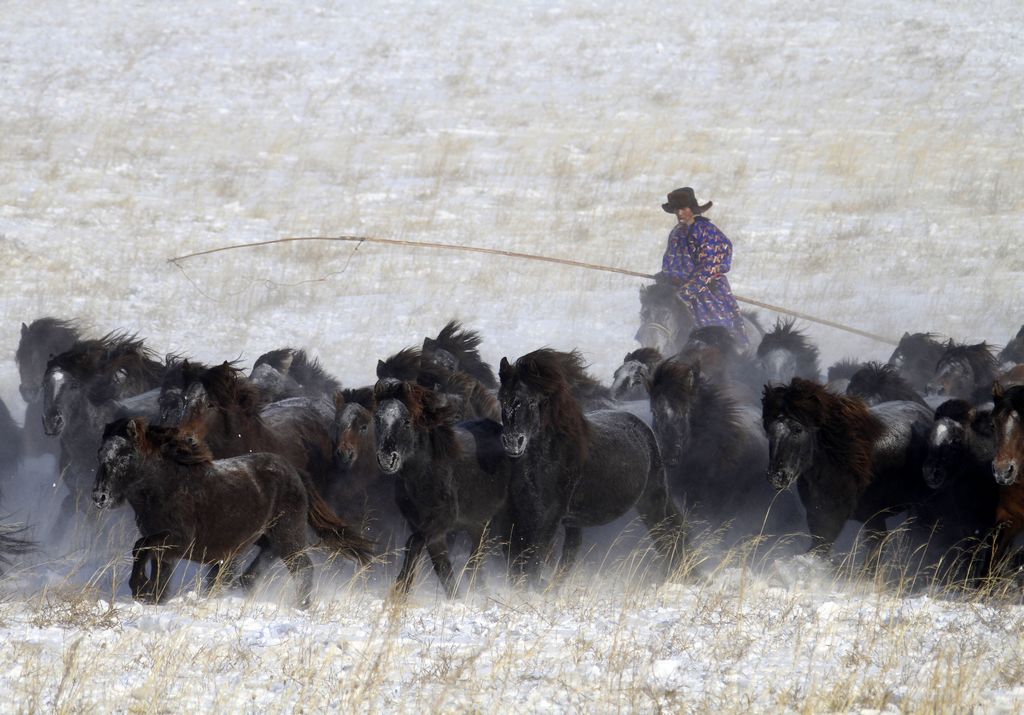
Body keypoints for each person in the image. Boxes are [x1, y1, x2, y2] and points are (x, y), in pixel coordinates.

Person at [659, 187, 747, 346]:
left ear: (692, 209)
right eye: (676, 209)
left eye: (683, 208)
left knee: (715, 333)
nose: (679, 213)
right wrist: (664, 277)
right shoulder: (676, 233)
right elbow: (669, 260)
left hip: (706, 291)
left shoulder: (706, 231)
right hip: (676, 290)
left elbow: (708, 267)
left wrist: (686, 292)